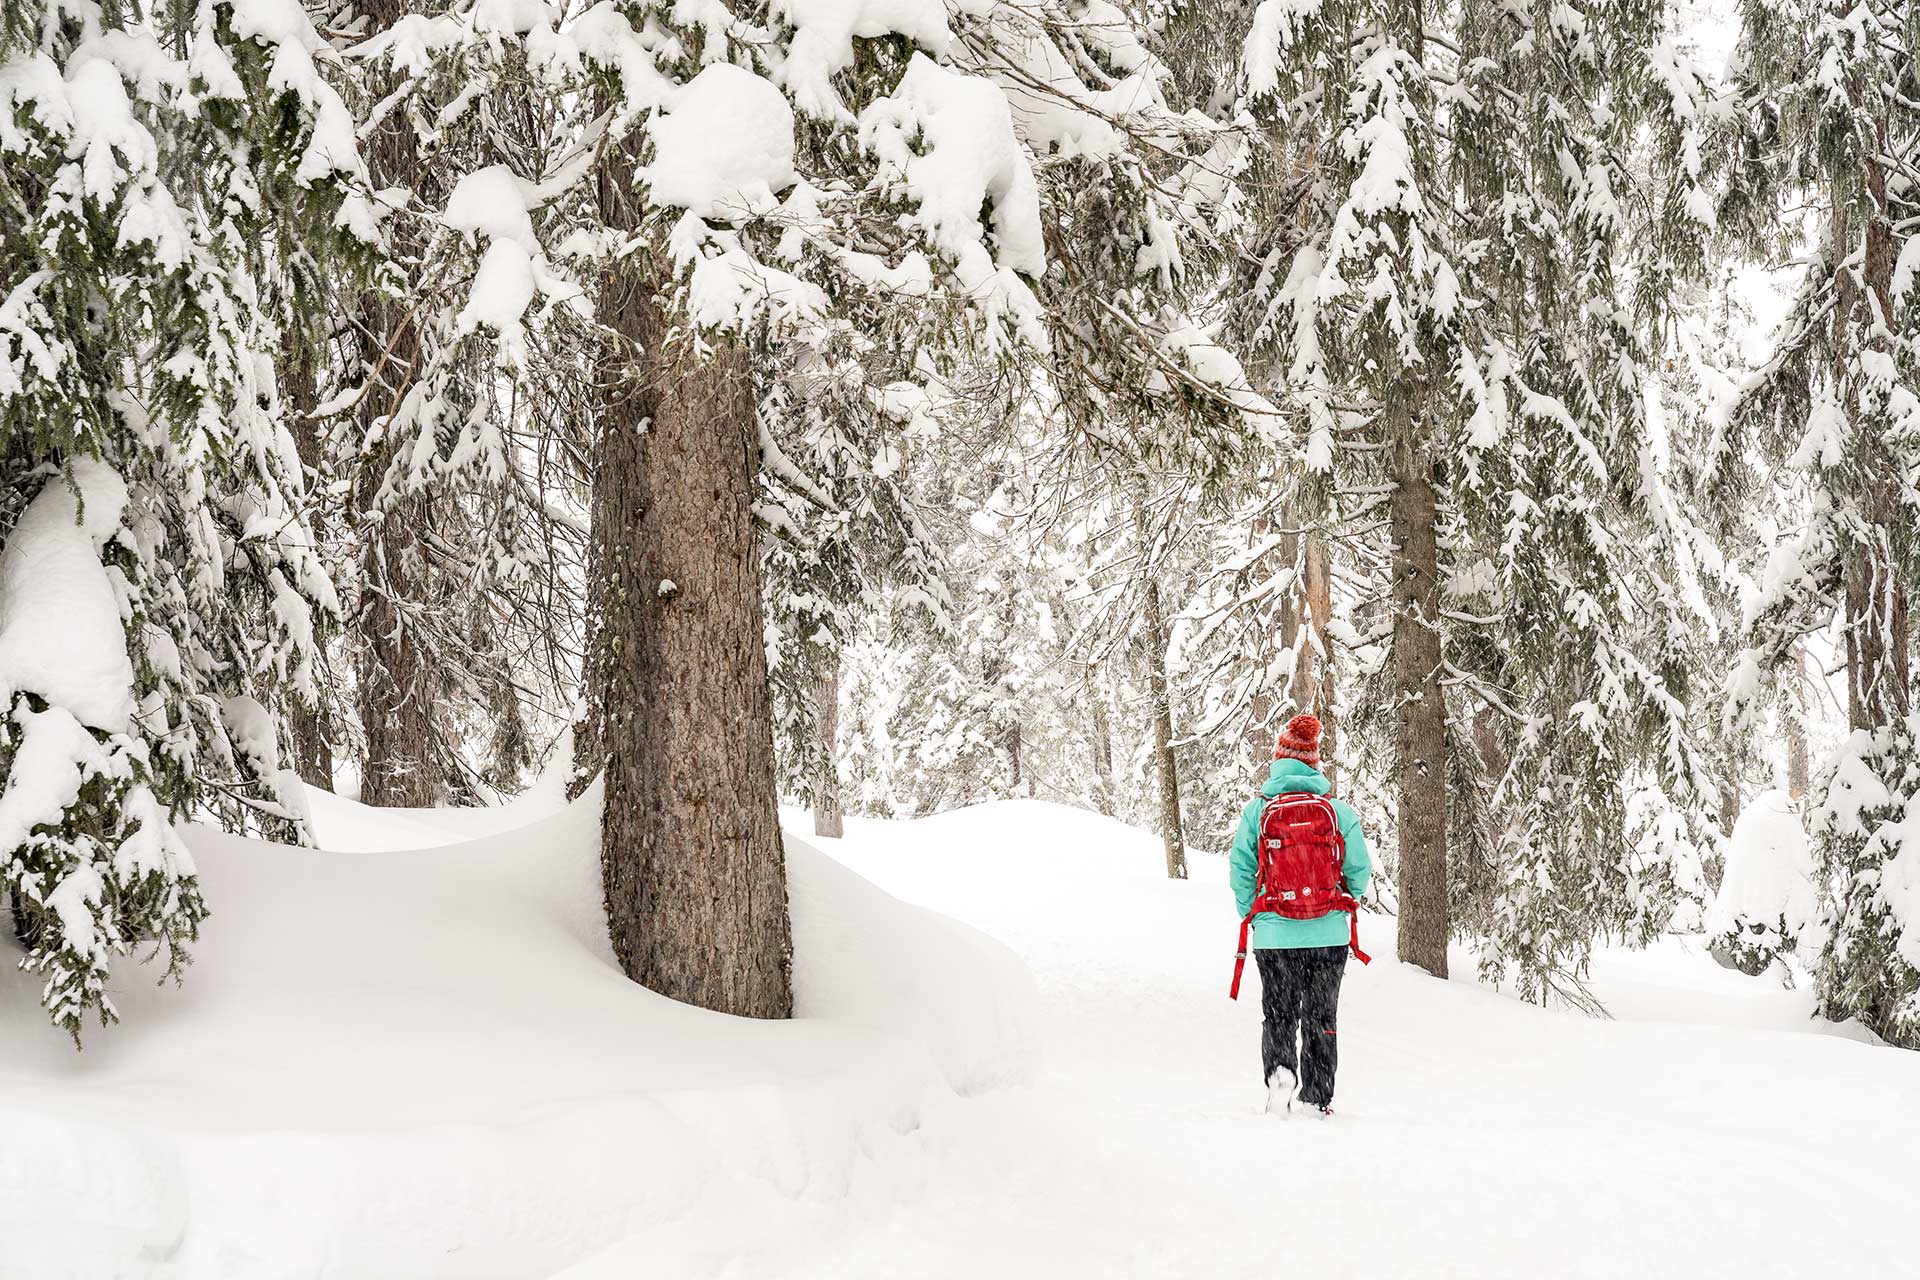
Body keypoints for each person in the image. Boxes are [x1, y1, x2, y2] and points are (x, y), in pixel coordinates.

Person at [1229, 713, 1370, 1117]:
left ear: (1278, 761)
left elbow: (1240, 870)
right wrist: (1341, 902)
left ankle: (1280, 1073)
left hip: (1275, 936)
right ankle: (1318, 1096)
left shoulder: (1258, 812)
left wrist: (1254, 916)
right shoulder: (1337, 811)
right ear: (1314, 764)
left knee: (1279, 1013)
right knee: (1321, 1016)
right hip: (1328, 935)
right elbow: (1359, 870)